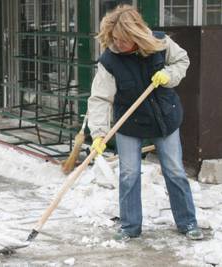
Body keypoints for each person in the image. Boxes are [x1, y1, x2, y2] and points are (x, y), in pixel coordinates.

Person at [87, 5, 203, 242]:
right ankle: (129, 227)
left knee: (174, 171)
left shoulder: (160, 43)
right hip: (129, 122)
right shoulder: (109, 60)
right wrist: (98, 134)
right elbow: (100, 97)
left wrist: (169, 76)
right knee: (129, 174)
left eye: (124, 40)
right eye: (116, 39)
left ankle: (188, 222)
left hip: (164, 118)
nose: (119, 44)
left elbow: (182, 61)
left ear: (137, 35)